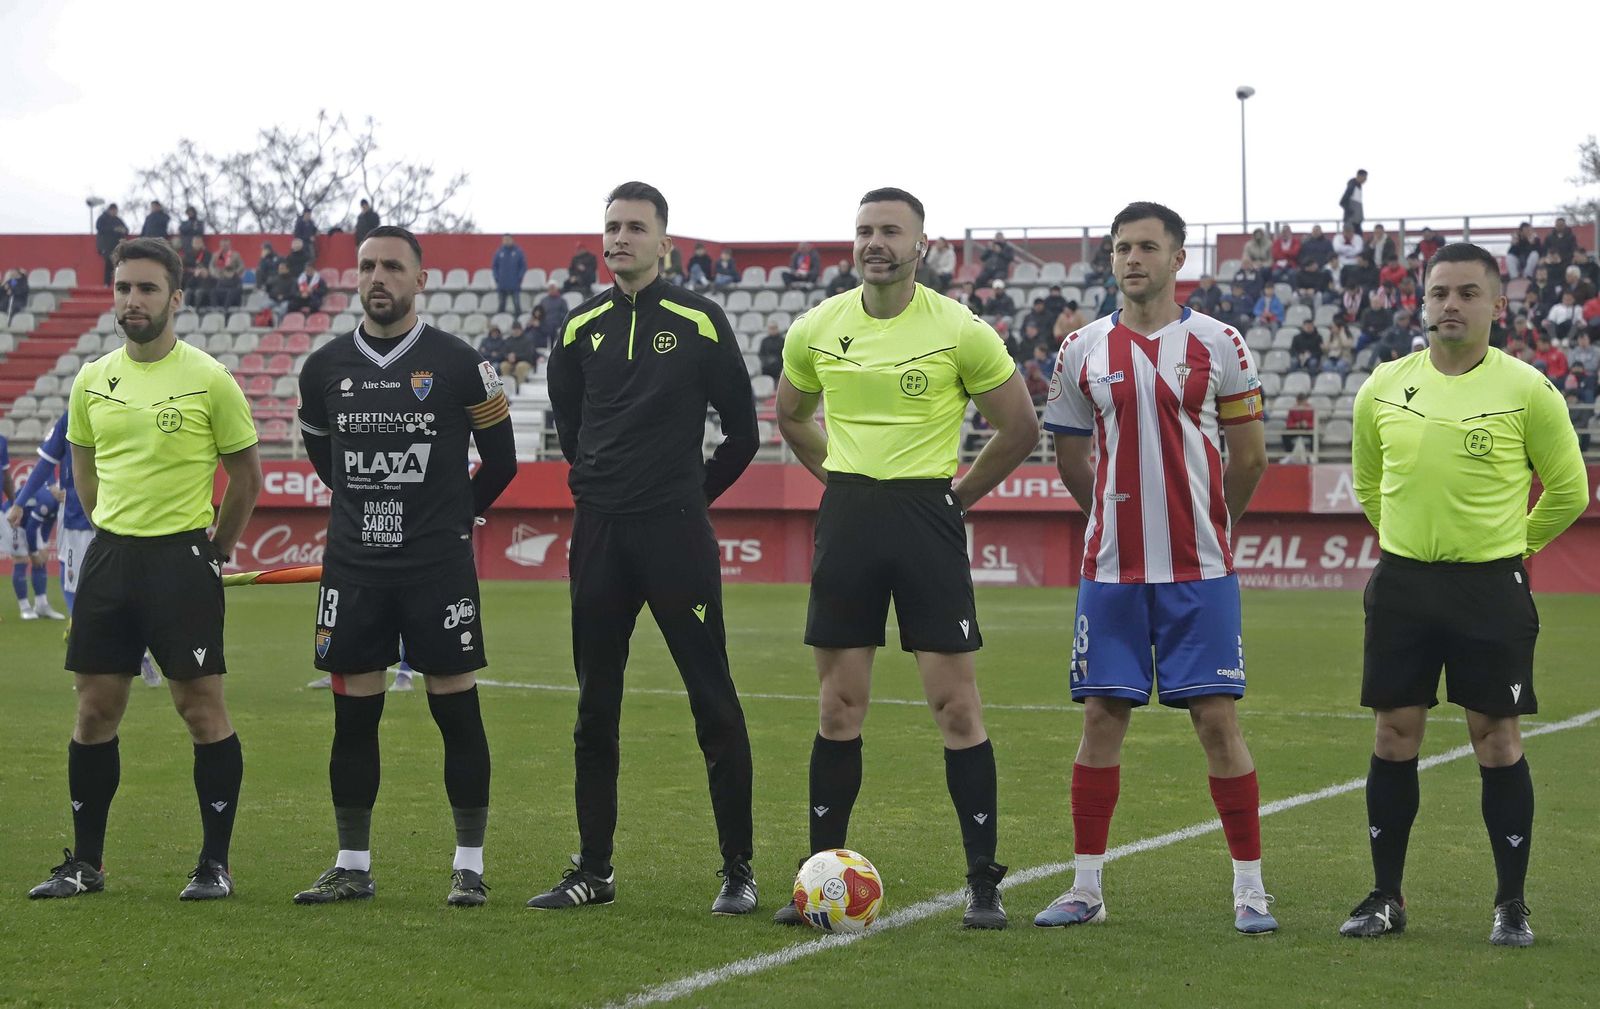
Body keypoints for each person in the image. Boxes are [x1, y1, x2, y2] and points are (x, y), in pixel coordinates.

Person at [775, 187, 1039, 930]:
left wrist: (957, 498)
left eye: (890, 230)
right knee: (837, 707)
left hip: (928, 514)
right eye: (864, 230)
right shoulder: (818, 326)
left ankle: (983, 882)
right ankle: (819, 881)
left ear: (921, 244)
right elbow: (789, 414)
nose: (874, 242)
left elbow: (1017, 426)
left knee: (956, 706)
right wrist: (841, 477)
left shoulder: (960, 330)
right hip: (850, 516)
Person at [1034, 201, 1276, 935]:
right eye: (1120, 248)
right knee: (1102, 716)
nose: (1131, 259)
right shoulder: (1079, 349)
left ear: (1177, 259)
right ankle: (1085, 886)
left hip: (1198, 569)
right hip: (1110, 571)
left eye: (1146, 246)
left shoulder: (1220, 342)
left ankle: (1251, 889)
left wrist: (1210, 522)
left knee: (1216, 719)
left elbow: (1252, 455)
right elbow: (1071, 456)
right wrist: (1108, 517)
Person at [1342, 242, 1588, 946]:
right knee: (1394, 734)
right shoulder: (1381, 386)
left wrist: (1517, 547)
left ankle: (1511, 903)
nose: (1451, 303)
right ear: (1421, 301)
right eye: (1439, 292)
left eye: (1467, 293)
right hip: (1403, 584)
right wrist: (1404, 542)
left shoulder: (1527, 388)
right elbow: (1369, 481)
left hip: (1491, 588)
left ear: (1497, 305)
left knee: (1497, 737)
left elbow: (1569, 490)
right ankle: (1386, 895)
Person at [537, 181, 760, 915]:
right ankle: (593, 870)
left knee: (713, 702)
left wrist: (688, 494)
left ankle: (738, 870)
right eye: (611, 227)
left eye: (635, 226)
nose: (620, 238)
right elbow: (572, 428)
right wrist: (602, 482)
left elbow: (744, 431)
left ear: (665, 241)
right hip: (600, 533)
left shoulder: (700, 320)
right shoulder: (578, 329)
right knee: (594, 709)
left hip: (675, 533)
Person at [26, 237, 263, 901]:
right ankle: (86, 865)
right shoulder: (90, 380)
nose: (133, 299)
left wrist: (215, 548)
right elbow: (83, 466)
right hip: (110, 557)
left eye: (148, 288)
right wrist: (112, 526)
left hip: (182, 558)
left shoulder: (209, 379)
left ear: (176, 299)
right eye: (124, 287)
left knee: (199, 707)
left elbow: (246, 477)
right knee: (95, 710)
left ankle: (215, 864)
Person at [292, 225, 518, 909]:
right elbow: (325, 461)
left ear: (422, 280)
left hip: (436, 570)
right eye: (367, 267)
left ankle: (469, 865)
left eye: (393, 266)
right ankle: (352, 863)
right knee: (353, 723)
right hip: (355, 569)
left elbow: (502, 460)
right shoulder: (323, 367)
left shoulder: (459, 363)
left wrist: (455, 517)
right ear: (354, 279)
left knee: (457, 715)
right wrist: (368, 510)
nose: (378, 277)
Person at [6, 479, 65, 620]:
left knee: (42, 558)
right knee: (21, 559)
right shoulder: (49, 499)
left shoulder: (59, 502)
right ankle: (24, 607)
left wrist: (43, 545)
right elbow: (32, 528)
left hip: (28, 520)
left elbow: (48, 522)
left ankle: (41, 605)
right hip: (12, 518)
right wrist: (33, 553)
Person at [492, 234, 528, 316]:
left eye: (508, 239)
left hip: (514, 284)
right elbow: (494, 267)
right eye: (504, 240)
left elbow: (523, 266)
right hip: (502, 284)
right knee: (501, 305)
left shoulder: (518, 252)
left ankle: (518, 323)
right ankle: (500, 322)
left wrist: (519, 278)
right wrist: (497, 278)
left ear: (512, 240)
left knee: (516, 304)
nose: (506, 241)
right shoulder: (499, 252)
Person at [94, 203, 128, 286]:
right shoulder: (102, 218)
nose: (115, 213)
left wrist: (123, 230)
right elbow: (99, 228)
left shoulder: (118, 220)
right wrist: (113, 229)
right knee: (108, 264)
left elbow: (126, 229)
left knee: (118, 264)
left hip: (116, 246)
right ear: (110, 210)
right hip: (106, 245)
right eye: (114, 211)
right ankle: (107, 283)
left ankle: (118, 283)